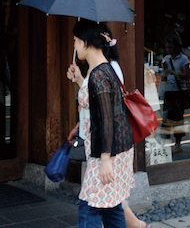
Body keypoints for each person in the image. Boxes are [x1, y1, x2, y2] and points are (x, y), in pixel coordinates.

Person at [66, 21, 147, 228]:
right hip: (118, 149)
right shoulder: (102, 70)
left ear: (86, 43)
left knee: (89, 208)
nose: (74, 46)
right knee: (112, 207)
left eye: (75, 41)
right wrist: (79, 79)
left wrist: (105, 160)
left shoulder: (99, 74)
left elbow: (106, 117)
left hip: (107, 152)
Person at [160, 38, 190, 152]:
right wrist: (164, 76)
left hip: (179, 91)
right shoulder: (166, 59)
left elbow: (186, 75)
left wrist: (174, 73)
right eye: (167, 47)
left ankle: (178, 144)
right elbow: (164, 75)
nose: (169, 50)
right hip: (169, 90)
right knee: (166, 118)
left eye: (171, 47)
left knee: (178, 119)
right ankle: (166, 145)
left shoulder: (183, 58)